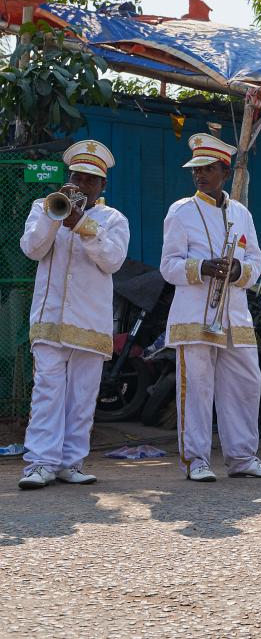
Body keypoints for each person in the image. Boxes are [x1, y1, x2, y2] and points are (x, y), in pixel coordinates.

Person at [160, 133, 261, 482]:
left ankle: (243, 457)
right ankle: (196, 460)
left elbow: (255, 261)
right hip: (195, 314)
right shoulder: (180, 211)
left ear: (224, 172)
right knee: (196, 389)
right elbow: (168, 266)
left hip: (235, 316)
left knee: (245, 384)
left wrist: (239, 271)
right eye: (196, 169)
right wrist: (201, 268)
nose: (200, 175)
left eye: (208, 169)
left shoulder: (242, 213)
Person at [18, 140, 130, 489]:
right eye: (76, 178)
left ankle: (71, 462)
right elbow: (32, 249)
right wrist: (57, 218)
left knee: (83, 395)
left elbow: (112, 261)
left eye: (90, 180)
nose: (81, 186)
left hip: (90, 323)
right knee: (47, 391)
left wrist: (83, 225)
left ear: (103, 186)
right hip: (49, 320)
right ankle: (40, 463)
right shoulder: (44, 207)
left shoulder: (113, 219)